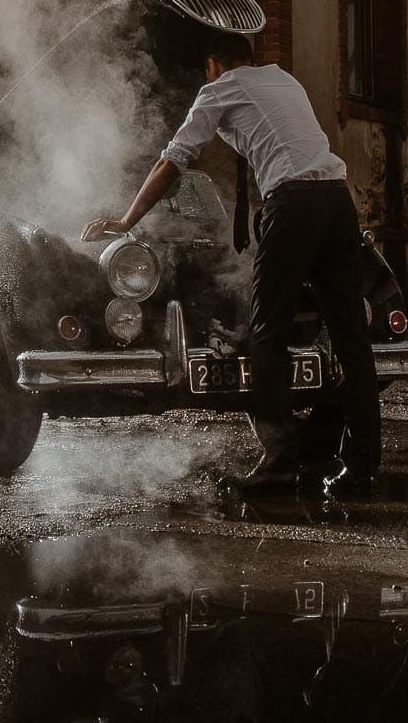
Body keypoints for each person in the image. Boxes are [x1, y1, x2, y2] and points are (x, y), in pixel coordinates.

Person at [82, 32, 379, 498]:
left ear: (212, 65)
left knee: (267, 333)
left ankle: (280, 462)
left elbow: (173, 161)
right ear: (252, 57)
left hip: (294, 203)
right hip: (338, 200)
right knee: (350, 338)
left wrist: (126, 220)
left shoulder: (219, 89)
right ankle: (360, 466)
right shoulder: (285, 81)